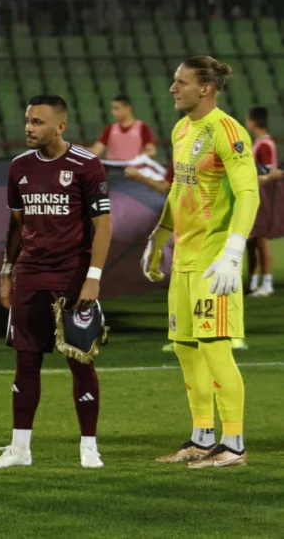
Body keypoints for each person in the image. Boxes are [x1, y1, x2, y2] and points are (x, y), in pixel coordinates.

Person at [143, 56, 258, 469]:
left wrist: (233, 251)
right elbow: (178, 186)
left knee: (215, 350)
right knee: (186, 348)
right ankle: (202, 436)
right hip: (185, 259)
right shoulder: (182, 128)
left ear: (205, 88)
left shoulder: (228, 132)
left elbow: (248, 194)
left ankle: (234, 445)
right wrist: (159, 237)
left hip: (214, 262)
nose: (173, 88)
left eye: (181, 82)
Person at [0, 95, 112, 470]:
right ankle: (19, 449)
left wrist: (93, 278)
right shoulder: (19, 167)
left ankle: (89, 447)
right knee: (26, 361)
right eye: (27, 120)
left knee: (80, 362)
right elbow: (16, 225)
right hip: (30, 276)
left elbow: (102, 225)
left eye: (38, 122)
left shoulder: (87, 165)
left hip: (72, 277)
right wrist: (7, 270)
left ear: (60, 126)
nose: (28, 127)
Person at [246, 107, 280, 297]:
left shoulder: (264, 145)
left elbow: (268, 174)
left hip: (264, 196)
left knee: (262, 239)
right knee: (252, 240)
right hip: (256, 194)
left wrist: (249, 179)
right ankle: (253, 282)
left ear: (252, 122)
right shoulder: (260, 143)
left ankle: (266, 283)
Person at [88, 95, 157, 160]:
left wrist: (140, 158)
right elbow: (96, 151)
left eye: (116, 108)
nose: (113, 112)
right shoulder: (110, 129)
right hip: (114, 170)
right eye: (113, 108)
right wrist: (79, 149)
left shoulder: (143, 127)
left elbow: (151, 151)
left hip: (134, 169)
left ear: (128, 109)